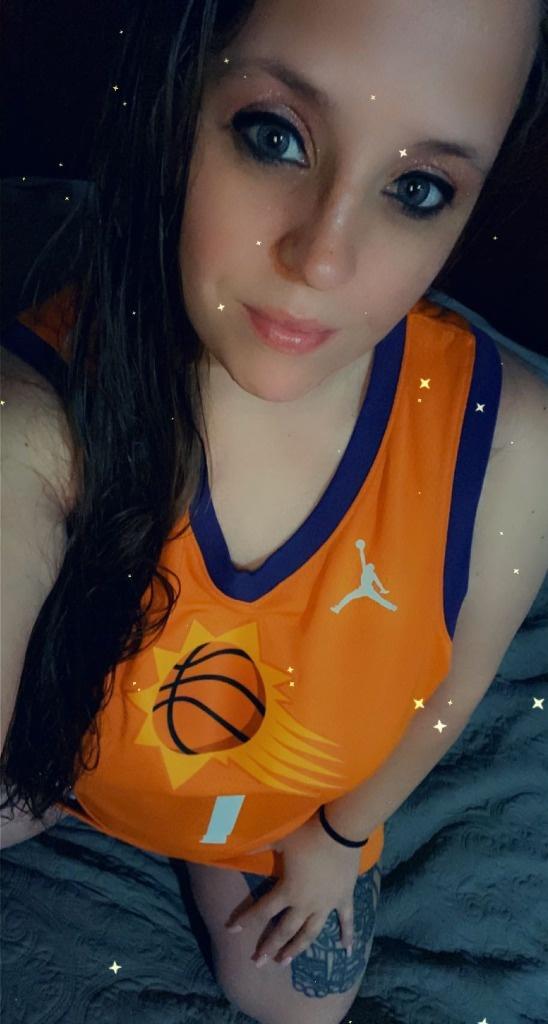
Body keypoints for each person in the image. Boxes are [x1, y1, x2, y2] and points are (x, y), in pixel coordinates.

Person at [1, 2, 547, 1023]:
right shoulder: (39, 413)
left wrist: (338, 838)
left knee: (302, 1005)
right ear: (178, 101)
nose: (323, 260)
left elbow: (450, 690)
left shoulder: (509, 448)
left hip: (274, 824)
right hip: (61, 768)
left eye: (417, 189)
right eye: (274, 136)